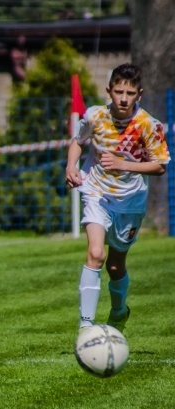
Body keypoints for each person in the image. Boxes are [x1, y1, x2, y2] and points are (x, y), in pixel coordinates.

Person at [66, 63, 170, 332]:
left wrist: (124, 164)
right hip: (97, 193)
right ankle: (86, 327)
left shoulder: (149, 125)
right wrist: (71, 167)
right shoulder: (95, 116)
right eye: (119, 91)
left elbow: (160, 166)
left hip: (130, 201)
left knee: (114, 266)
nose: (124, 98)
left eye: (130, 93)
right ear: (109, 91)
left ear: (140, 94)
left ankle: (119, 312)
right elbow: (78, 141)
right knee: (95, 253)